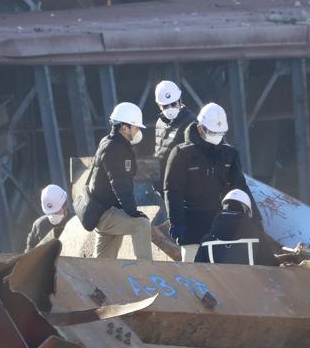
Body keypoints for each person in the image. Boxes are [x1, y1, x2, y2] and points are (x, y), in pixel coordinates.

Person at [164, 102, 252, 262]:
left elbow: (240, 188)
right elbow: (173, 191)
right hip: (191, 229)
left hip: (221, 228)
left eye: (220, 132)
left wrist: (252, 222)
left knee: (225, 279)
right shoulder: (182, 154)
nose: (216, 136)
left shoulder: (230, 155)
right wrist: (176, 223)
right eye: (212, 131)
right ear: (199, 128)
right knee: (193, 278)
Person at [79, 102, 155, 262]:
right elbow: (120, 184)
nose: (138, 130)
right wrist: (132, 211)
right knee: (141, 225)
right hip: (106, 214)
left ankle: (98, 285)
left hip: (105, 210)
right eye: (135, 126)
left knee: (104, 264)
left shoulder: (113, 144)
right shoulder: (114, 148)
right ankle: (148, 275)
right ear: (124, 127)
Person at [199, 189, 283, 264]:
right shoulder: (257, 239)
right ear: (246, 211)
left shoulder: (206, 241)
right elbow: (271, 265)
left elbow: (198, 270)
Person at [151, 80, 195, 188]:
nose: (170, 108)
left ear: (179, 100)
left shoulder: (191, 122)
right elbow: (160, 152)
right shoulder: (159, 123)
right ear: (159, 105)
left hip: (184, 183)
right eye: (165, 106)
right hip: (166, 183)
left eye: (173, 104)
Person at [26, 184, 72, 251]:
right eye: (52, 213)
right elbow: (29, 252)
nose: (54, 216)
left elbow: (28, 252)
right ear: (64, 204)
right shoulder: (75, 221)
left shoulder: (38, 224)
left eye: (56, 212)